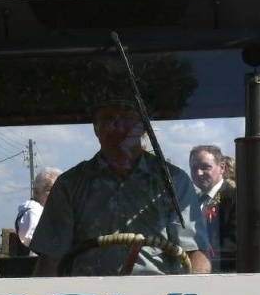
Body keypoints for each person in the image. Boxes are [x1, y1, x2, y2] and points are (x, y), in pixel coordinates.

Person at [32, 100, 211, 275]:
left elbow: (195, 253)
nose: (118, 128)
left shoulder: (173, 182)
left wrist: (198, 291)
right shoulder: (70, 185)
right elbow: (51, 259)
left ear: (142, 128)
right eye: (109, 120)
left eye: (128, 120)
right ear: (96, 128)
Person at [188, 144, 237, 269]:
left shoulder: (236, 199)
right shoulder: (191, 201)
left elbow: (233, 245)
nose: (199, 173)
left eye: (205, 167)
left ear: (222, 168)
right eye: (194, 168)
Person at [12, 167, 60, 256]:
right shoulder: (32, 211)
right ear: (37, 191)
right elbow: (37, 244)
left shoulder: (44, 211)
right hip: (33, 266)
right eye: (50, 190)